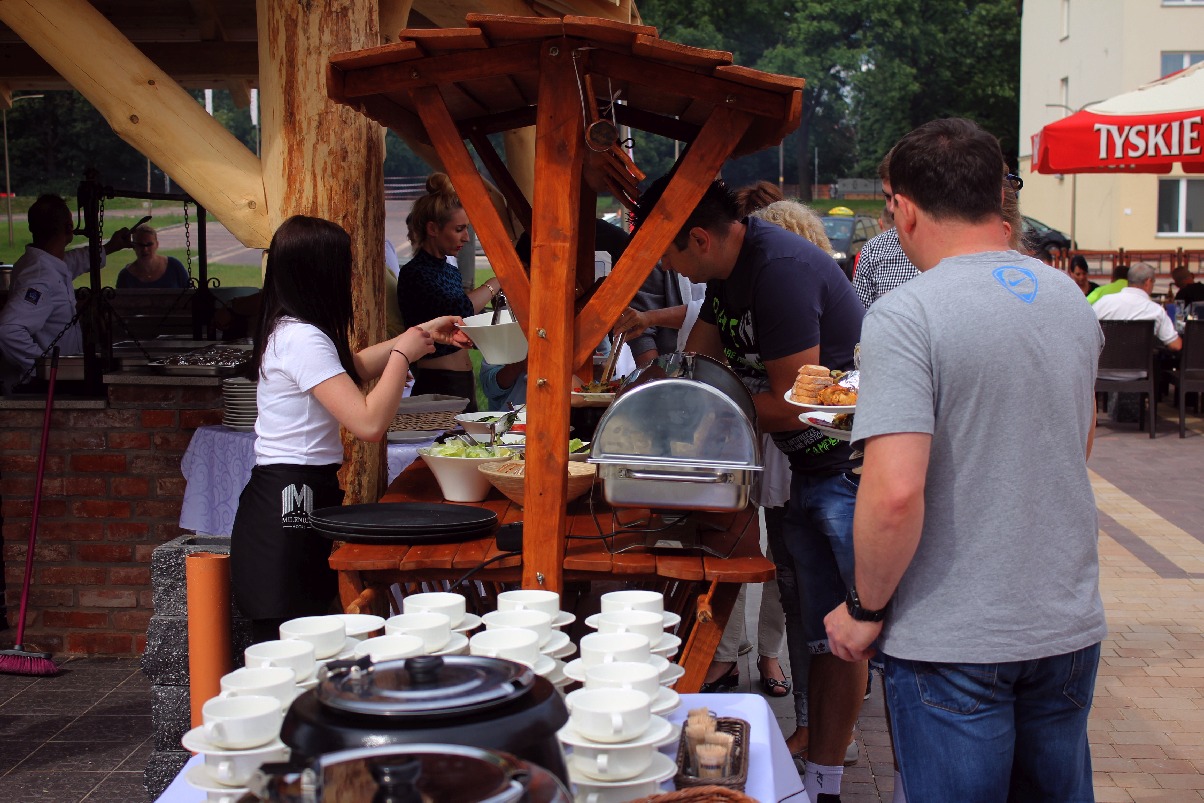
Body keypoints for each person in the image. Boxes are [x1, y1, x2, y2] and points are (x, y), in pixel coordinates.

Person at [824, 117, 1106, 802]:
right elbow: (1079, 440)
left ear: (904, 209)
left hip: (953, 638)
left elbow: (894, 492)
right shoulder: (1068, 297)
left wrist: (863, 605)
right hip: (1066, 624)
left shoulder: (906, 314)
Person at [632, 176, 864, 803]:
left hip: (845, 471)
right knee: (819, 631)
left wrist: (698, 417)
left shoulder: (779, 271)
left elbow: (798, 402)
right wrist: (661, 399)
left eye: (666, 253)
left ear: (699, 238)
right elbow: (696, 370)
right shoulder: (726, 274)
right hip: (803, 468)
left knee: (846, 634)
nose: (665, 268)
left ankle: (827, 780)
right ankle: (820, 778)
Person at [230, 215, 468, 643]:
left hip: (291, 489)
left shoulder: (292, 329)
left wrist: (419, 334)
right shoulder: (302, 338)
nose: (350, 278)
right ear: (321, 272)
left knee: (305, 633)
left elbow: (349, 368)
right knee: (291, 640)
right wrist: (402, 354)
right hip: (289, 495)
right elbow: (369, 423)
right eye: (344, 266)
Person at [0, 194, 132, 393]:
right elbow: (8, 330)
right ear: (69, 227)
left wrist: (110, 247)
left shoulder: (44, 262)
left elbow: (72, 261)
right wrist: (44, 368)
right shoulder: (40, 277)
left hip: (53, 383)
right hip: (40, 388)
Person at [397, 173, 503, 409]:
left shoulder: (450, 271)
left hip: (462, 381)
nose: (466, 238)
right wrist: (495, 282)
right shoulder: (415, 273)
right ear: (433, 229)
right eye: (459, 229)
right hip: (438, 383)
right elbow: (459, 310)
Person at [1093, 261, 1181, 379]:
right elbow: (1176, 345)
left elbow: (1085, 332)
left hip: (1101, 373)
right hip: (1136, 374)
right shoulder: (1155, 310)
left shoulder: (1103, 302)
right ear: (1148, 282)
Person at [853, 155, 919, 311]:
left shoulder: (957, 246)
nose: (891, 208)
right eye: (887, 197)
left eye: (899, 198)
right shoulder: (873, 251)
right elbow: (859, 319)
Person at [116, 224, 190, 288]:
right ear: (133, 246)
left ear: (157, 244)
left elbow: (189, 293)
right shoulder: (125, 276)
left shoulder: (174, 266)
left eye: (149, 244)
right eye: (140, 245)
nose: (145, 249)